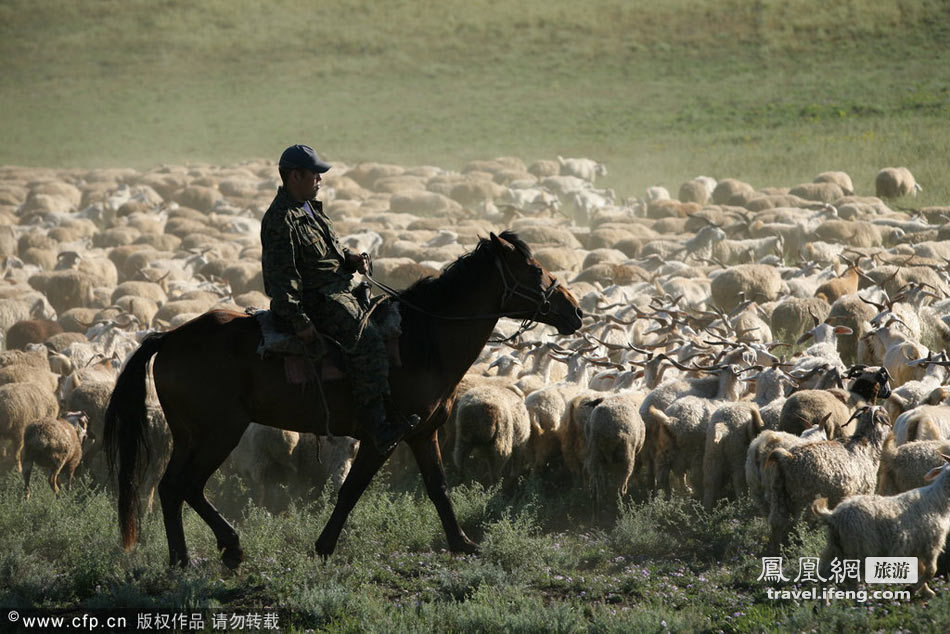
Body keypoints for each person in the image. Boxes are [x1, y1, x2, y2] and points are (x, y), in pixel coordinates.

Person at [260, 144, 414, 454]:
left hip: (337, 289)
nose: (320, 180)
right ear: (294, 176)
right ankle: (376, 425)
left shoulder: (309, 209)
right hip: (317, 299)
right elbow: (282, 278)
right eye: (314, 174)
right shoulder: (281, 219)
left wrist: (350, 259)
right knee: (367, 340)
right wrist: (300, 321)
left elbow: (327, 253)